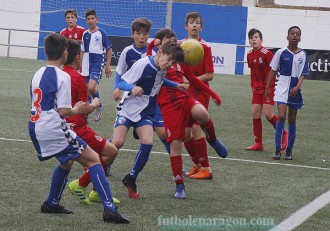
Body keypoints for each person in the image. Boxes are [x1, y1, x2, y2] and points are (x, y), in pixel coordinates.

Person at [27, 33, 128, 223]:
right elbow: (65, 111)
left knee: (67, 162)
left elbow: (37, 102)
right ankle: (109, 210)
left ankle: (51, 202)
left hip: (35, 125)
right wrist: (77, 109)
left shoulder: (37, 72)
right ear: (65, 54)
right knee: (94, 160)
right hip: (53, 127)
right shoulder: (63, 76)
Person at [149, 29, 227, 198]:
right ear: (160, 46)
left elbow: (193, 80)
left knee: (202, 113)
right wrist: (151, 44)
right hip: (168, 106)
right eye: (168, 41)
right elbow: (151, 62)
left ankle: (213, 140)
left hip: (184, 98)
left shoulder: (180, 61)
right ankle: (179, 186)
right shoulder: (155, 61)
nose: (173, 43)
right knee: (176, 144)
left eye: (174, 41)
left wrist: (214, 95)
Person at [112, 42, 188, 199]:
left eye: (172, 63)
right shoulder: (143, 64)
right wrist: (132, 87)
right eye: (168, 60)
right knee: (117, 143)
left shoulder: (162, 68)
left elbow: (158, 81)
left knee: (147, 142)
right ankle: (92, 172)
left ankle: (131, 178)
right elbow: (122, 82)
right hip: (129, 108)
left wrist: (176, 85)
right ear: (159, 51)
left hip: (145, 111)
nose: (168, 64)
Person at [62, 40, 120, 205]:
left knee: (67, 163)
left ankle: (93, 191)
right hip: (78, 129)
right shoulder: (78, 78)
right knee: (111, 152)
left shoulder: (60, 74)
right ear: (78, 58)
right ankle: (80, 185)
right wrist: (96, 102)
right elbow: (84, 109)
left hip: (62, 127)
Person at [182, 12, 217, 179]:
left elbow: (210, 74)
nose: (194, 25)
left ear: (201, 27)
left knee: (195, 127)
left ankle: (206, 168)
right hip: (184, 93)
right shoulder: (181, 47)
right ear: (186, 26)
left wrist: (191, 80)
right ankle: (197, 164)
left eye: (197, 23)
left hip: (200, 92)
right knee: (185, 131)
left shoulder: (206, 47)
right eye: (191, 22)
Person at [266, 26, 309, 160]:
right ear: (287, 36)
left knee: (292, 119)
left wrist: (297, 86)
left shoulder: (303, 54)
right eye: (292, 33)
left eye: (297, 34)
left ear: (300, 38)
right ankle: (278, 149)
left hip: (294, 90)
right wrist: (268, 87)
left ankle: (289, 150)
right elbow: (273, 70)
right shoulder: (281, 52)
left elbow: (303, 73)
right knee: (281, 116)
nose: (294, 36)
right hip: (281, 88)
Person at [246, 28, 288, 151]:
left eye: (256, 37)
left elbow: (274, 70)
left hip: (268, 88)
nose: (253, 39)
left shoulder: (267, 53)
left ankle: (284, 133)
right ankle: (258, 143)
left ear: (261, 40)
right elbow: (253, 71)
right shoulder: (249, 54)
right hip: (257, 88)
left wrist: (270, 87)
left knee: (268, 114)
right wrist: (252, 86)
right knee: (255, 113)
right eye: (251, 38)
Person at [81, 9, 112, 122]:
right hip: (85, 64)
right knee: (86, 91)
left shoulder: (101, 33)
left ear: (96, 19)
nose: (91, 21)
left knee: (91, 87)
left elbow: (109, 49)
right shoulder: (85, 34)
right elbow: (82, 50)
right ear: (86, 21)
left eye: (93, 18)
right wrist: (80, 65)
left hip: (97, 63)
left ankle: (98, 105)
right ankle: (85, 115)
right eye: (88, 19)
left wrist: (108, 65)